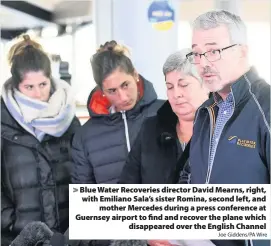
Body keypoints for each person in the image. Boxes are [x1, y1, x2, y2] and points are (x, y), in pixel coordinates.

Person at [186, 10, 270, 246]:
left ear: (242, 51)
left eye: (213, 51)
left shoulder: (266, 107)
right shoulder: (205, 112)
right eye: (196, 53)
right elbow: (192, 177)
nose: (203, 63)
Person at [1, 34, 80, 245]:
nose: (38, 94)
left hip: (65, 237)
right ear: (16, 85)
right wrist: (12, 222)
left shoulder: (69, 119)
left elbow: (83, 175)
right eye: (29, 87)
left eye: (43, 84)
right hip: (19, 237)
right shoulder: (2, 122)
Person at [71, 40, 164, 185]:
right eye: (112, 91)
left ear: (135, 75)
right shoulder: (85, 136)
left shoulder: (167, 112)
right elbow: (84, 199)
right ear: (102, 91)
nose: (123, 97)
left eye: (125, 85)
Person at [119, 48, 209, 184]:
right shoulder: (150, 129)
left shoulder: (225, 130)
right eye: (170, 87)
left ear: (206, 85)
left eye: (183, 85)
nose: (176, 94)